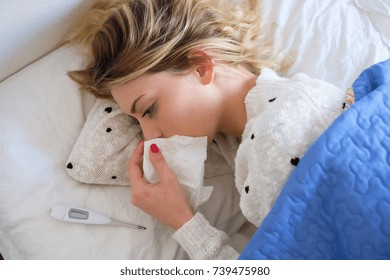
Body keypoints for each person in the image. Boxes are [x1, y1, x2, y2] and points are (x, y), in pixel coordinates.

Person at [67, 0, 350, 259]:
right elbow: (90, 163)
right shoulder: (234, 138)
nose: (150, 135)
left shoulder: (277, 135)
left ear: (202, 68)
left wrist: (183, 221)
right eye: (136, 121)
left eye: (149, 110)